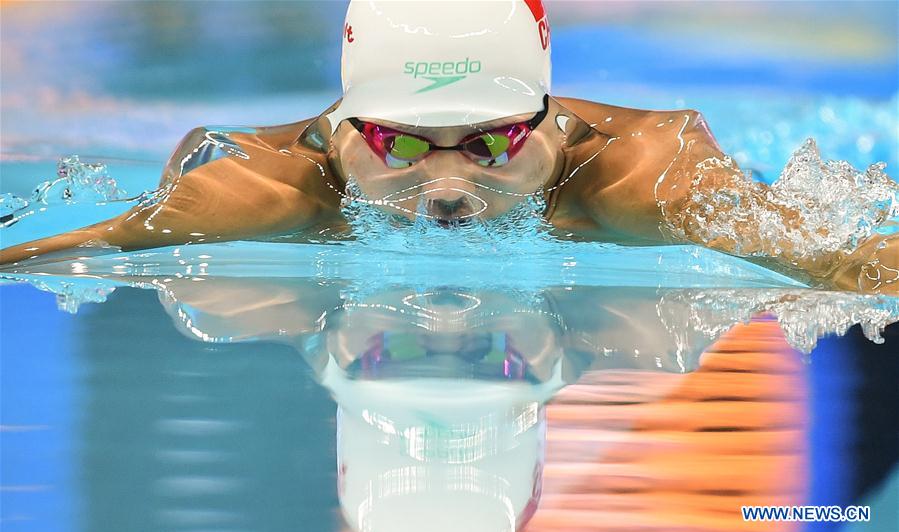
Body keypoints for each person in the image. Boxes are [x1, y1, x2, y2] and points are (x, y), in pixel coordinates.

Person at [0, 0, 896, 294]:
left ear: (548, 125)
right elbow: (42, 254)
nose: (446, 187)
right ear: (342, 129)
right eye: (396, 144)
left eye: (491, 143)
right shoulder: (254, 192)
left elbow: (848, 261)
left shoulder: (639, 183)